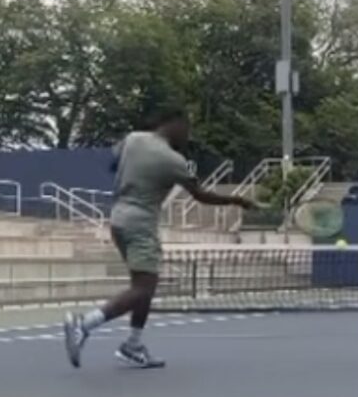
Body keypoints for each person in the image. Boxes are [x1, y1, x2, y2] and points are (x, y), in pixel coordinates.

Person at [63, 106, 258, 369]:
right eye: (187, 129)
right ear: (175, 123)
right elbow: (200, 195)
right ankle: (84, 325)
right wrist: (237, 200)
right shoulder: (173, 160)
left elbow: (113, 163)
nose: (187, 136)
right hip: (140, 224)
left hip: (118, 219)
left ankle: (133, 345)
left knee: (145, 286)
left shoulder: (133, 139)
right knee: (143, 288)